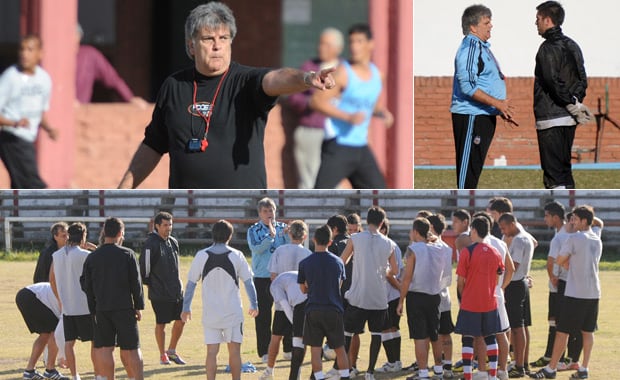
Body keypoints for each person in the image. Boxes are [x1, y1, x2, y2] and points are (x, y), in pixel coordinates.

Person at [118, 2, 336, 189]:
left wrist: (306, 78)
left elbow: (276, 78)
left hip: (243, 215)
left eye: (223, 38)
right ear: (191, 46)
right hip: (188, 216)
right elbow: (154, 144)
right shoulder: (174, 86)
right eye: (208, 39)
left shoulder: (246, 81)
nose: (217, 46)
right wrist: (121, 192)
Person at [312, 23, 393, 189]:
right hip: (338, 146)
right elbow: (316, 101)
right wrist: (348, 117)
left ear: (371, 44)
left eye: (359, 41)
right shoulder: (342, 73)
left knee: (380, 195)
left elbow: (372, 105)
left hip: (361, 148)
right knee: (319, 194)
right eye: (352, 42)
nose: (354, 47)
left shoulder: (378, 75)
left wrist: (382, 113)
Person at [530, 206, 602, 380]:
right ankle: (584, 368)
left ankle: (551, 369)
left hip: (575, 292)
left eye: (575, 219)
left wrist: (567, 263)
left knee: (562, 331)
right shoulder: (597, 239)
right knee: (587, 331)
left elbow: (559, 260)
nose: (572, 221)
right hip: (593, 293)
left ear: (584, 221)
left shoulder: (574, 238)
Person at [181, 219, 258, 380]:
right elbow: (249, 282)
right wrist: (254, 303)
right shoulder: (237, 255)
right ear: (230, 236)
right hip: (233, 312)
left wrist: (186, 308)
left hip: (211, 314)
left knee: (211, 352)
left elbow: (190, 284)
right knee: (235, 351)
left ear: (213, 234)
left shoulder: (201, 255)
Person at [450, 5, 516, 189]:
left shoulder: (481, 47)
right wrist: (498, 104)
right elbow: (468, 86)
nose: (491, 26)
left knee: (474, 171)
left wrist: (498, 108)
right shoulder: (470, 47)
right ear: (473, 27)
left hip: (483, 115)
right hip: (471, 115)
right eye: (486, 22)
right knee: (467, 174)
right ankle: (462, 208)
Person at [533, 1, 590, 189]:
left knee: (553, 174)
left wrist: (570, 103)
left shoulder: (546, 48)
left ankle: (559, 211)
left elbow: (551, 80)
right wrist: (576, 102)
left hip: (551, 119)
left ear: (548, 20)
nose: (536, 23)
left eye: (538, 19)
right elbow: (583, 80)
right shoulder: (573, 45)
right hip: (569, 119)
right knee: (565, 171)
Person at [80, 217, 145, 380]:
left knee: (104, 348)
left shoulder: (92, 257)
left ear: (104, 232)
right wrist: (138, 305)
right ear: (121, 233)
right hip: (124, 308)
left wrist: (93, 308)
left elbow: (86, 285)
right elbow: (136, 283)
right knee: (131, 348)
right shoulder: (127, 254)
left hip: (102, 308)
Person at [340, 206, 397, 380]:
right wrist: (382, 269)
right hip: (378, 297)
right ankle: (370, 371)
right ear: (382, 223)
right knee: (376, 335)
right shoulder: (389, 243)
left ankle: (346, 370)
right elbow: (394, 270)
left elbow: (342, 260)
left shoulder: (355, 238)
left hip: (358, 295)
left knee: (348, 333)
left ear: (366, 221)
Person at [288, 27, 344, 188]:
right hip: (311, 131)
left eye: (326, 44)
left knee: (334, 179)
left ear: (337, 49)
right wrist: (313, 102)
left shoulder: (344, 69)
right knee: (308, 180)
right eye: (320, 44)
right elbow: (294, 97)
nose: (321, 48)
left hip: (338, 134)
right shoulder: (309, 67)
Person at [0, 34, 58, 189]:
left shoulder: (44, 79)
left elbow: (39, 112)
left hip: (27, 139)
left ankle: (13, 212)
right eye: (22, 49)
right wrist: (14, 123)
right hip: (10, 137)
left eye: (30, 49)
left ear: (40, 53)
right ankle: (52, 209)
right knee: (33, 184)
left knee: (20, 184)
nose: (24, 54)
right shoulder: (10, 77)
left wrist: (49, 129)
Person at [397, 218, 449, 380]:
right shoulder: (440, 247)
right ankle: (439, 371)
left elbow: (406, 278)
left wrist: (401, 301)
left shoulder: (413, 250)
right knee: (435, 335)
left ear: (415, 231)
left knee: (420, 336)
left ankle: (423, 373)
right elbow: (446, 247)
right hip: (435, 296)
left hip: (416, 296)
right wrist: (433, 239)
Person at [298, 225, 351, 380]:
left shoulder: (305, 263)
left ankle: (319, 377)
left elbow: (303, 289)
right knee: (340, 348)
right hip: (333, 309)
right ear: (330, 241)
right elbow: (339, 286)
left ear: (313, 239)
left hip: (314, 308)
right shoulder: (338, 262)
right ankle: (345, 376)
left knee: (315, 349)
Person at [455, 216, 505, 380]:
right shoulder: (495, 252)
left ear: (474, 230)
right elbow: (498, 276)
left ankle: (468, 376)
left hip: (470, 302)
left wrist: (463, 298)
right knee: (491, 337)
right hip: (490, 302)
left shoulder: (466, 252)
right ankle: (492, 376)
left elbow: (460, 281)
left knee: (468, 339)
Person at [49, 223, 97, 380]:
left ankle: (75, 375)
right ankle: (98, 373)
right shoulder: (86, 255)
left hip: (68, 306)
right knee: (95, 341)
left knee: (69, 342)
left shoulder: (56, 256)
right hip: (85, 306)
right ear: (83, 235)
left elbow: (53, 279)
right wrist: (95, 249)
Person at [139, 212, 186, 365]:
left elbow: (176, 265)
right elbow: (144, 271)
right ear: (157, 226)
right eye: (165, 225)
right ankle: (162, 354)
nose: (168, 228)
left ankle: (171, 351)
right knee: (162, 323)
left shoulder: (173, 242)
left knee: (181, 319)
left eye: (170, 225)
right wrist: (154, 285)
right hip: (159, 293)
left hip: (176, 291)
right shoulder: (150, 244)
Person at [247, 197, 290, 363]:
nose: (269, 214)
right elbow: (256, 249)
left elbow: (290, 246)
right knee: (263, 316)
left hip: (281, 277)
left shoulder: (284, 228)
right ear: (259, 213)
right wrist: (270, 237)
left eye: (271, 210)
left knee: (286, 312)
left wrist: (285, 235)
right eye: (265, 211)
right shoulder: (253, 230)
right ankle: (264, 351)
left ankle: (288, 349)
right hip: (262, 278)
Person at [267, 219, 311, 359]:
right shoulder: (308, 254)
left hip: (282, 300)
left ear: (289, 234)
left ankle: (270, 367)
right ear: (305, 236)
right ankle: (298, 365)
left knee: (276, 336)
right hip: (300, 301)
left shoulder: (280, 251)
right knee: (301, 336)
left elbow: (273, 276)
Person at [531, 202, 567, 368]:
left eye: (547, 216)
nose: (545, 219)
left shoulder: (560, 236)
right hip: (564, 283)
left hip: (560, 284)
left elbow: (550, 262)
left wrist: (553, 278)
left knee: (557, 321)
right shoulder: (567, 232)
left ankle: (555, 357)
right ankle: (555, 355)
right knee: (557, 320)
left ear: (556, 217)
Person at [75, 25, 148, 107]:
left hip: (80, 111)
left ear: (79, 37)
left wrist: (130, 98)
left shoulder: (89, 55)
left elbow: (113, 79)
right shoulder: (58, 57)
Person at [498, 213, 534, 378]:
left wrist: (498, 272)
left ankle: (519, 366)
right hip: (521, 282)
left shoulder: (519, 240)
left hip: (514, 284)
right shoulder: (525, 236)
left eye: (504, 228)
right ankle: (522, 363)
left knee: (516, 327)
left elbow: (514, 264)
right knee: (521, 326)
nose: (503, 232)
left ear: (512, 224)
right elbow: (535, 243)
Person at [259, 271, 308, 380]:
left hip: (299, 305)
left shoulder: (274, 286)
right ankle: (296, 372)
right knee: (301, 339)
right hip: (307, 300)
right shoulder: (286, 276)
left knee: (277, 337)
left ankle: (271, 371)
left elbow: (285, 305)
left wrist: (295, 324)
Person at [16, 282, 69, 380]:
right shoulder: (72, 299)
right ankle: (50, 370)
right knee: (54, 331)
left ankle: (29, 371)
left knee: (45, 334)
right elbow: (59, 332)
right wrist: (63, 355)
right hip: (32, 296)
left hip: (24, 295)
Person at [375, 219, 405, 375]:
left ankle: (392, 362)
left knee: (386, 328)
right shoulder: (393, 245)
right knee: (393, 327)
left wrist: (401, 289)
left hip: (387, 294)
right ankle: (396, 361)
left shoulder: (387, 246)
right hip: (393, 294)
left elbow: (390, 274)